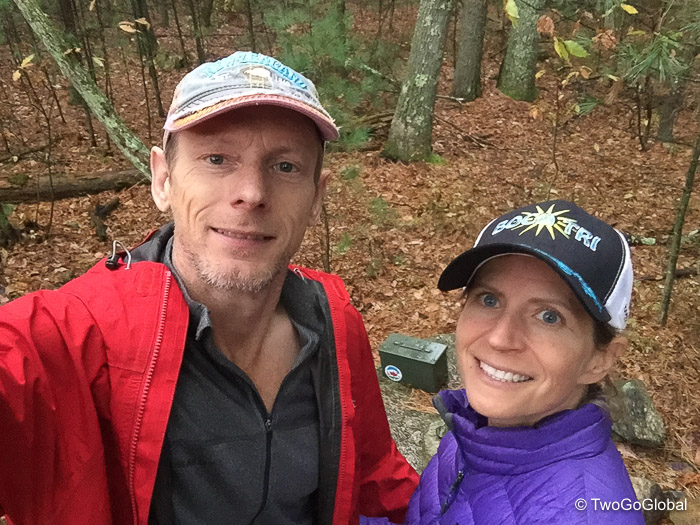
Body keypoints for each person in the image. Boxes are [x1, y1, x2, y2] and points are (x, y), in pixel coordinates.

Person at [0, 51, 418, 525]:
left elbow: (374, 478)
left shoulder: (334, 321)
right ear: (163, 180)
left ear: (316, 197)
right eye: (217, 159)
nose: (252, 193)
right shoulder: (77, 333)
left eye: (285, 167)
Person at [362, 200, 644, 524]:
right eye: (489, 299)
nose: (500, 338)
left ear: (600, 359)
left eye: (549, 316)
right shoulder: (478, 430)